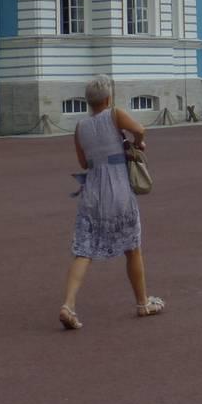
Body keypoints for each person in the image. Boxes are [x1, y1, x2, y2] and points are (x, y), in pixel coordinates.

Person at [60, 74, 163, 328]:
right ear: (108, 99)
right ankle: (142, 303)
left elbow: (83, 162)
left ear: (88, 101)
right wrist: (137, 144)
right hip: (118, 190)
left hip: (93, 192)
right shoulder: (115, 115)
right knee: (132, 247)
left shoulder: (80, 127)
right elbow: (140, 129)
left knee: (83, 250)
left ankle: (68, 305)